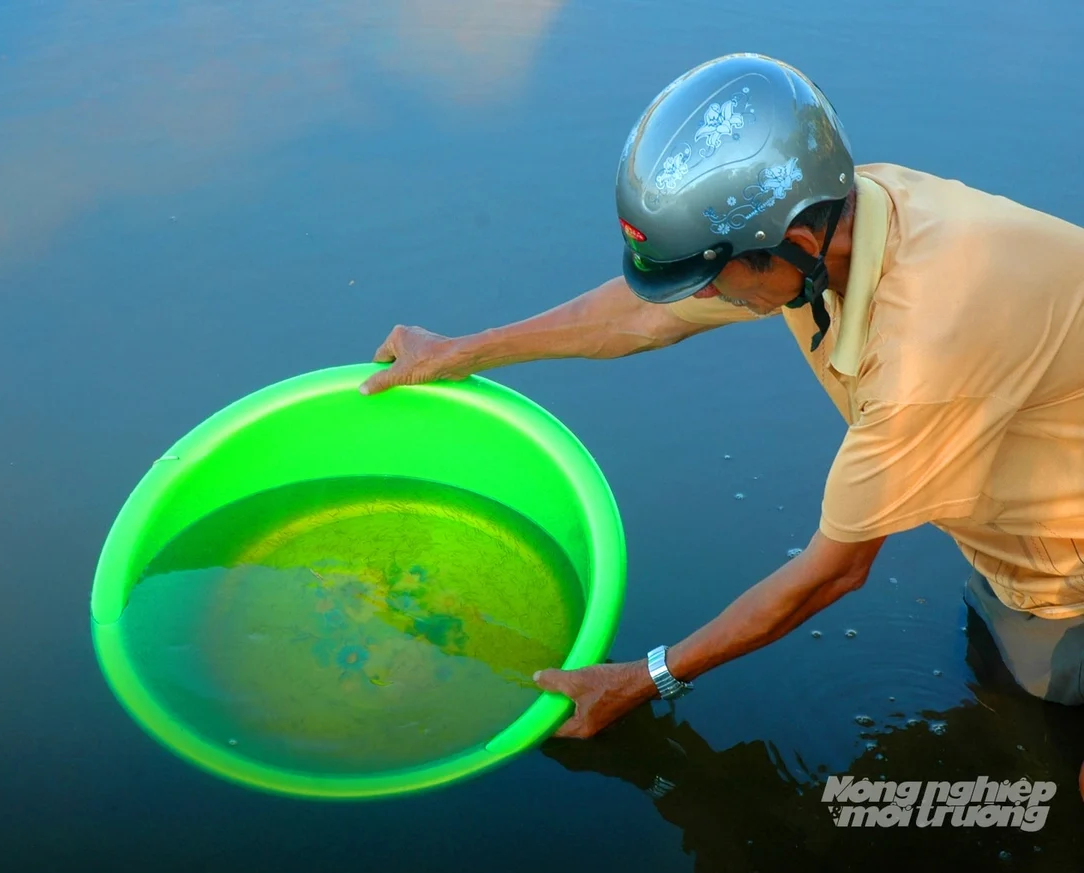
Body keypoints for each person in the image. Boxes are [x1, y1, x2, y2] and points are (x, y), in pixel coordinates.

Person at [358, 53, 1084, 792]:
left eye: (710, 277)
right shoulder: (843, 213)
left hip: (1073, 576)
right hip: (1027, 557)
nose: (702, 296)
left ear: (794, 246)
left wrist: (644, 679)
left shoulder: (926, 351)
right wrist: (458, 352)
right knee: (1016, 709)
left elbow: (831, 572)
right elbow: (642, 311)